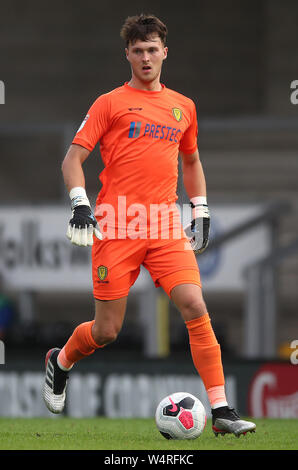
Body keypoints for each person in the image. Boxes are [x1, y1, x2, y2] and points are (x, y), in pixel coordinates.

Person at [43, 13, 256, 437]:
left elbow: (192, 161)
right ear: (127, 54)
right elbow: (73, 159)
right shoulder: (110, 103)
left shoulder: (184, 106)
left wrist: (201, 209)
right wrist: (79, 205)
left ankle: (221, 410)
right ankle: (60, 361)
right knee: (106, 331)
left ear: (164, 52)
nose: (145, 57)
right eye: (137, 50)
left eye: (152, 49)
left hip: (162, 227)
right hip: (116, 227)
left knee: (195, 305)